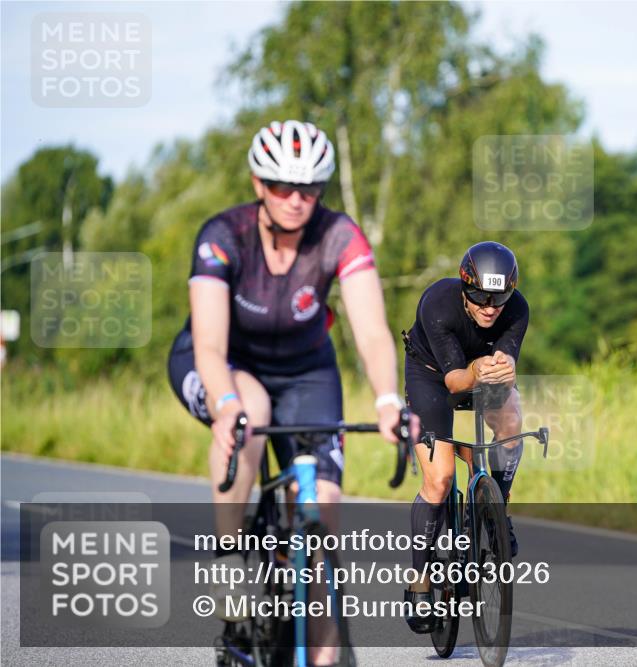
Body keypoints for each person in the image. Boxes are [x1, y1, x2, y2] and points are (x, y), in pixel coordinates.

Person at [166, 119, 413, 664]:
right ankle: (231, 583)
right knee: (247, 415)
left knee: (321, 511)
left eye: (309, 189)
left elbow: (371, 331)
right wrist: (225, 404)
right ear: (259, 184)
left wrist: (388, 399)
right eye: (282, 188)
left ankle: (321, 652)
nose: (296, 200)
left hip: (305, 370)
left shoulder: (338, 236)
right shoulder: (222, 236)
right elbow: (208, 344)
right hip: (226, 359)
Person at [400, 241, 529, 633]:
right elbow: (456, 380)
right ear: (463, 286)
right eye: (480, 296)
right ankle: (420, 581)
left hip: (481, 373)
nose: (490, 307)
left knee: (511, 416)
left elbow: (506, 363)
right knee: (438, 481)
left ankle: (496, 510)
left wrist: (504, 369)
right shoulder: (437, 303)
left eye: (499, 298)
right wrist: (478, 370)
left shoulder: (518, 309)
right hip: (432, 376)